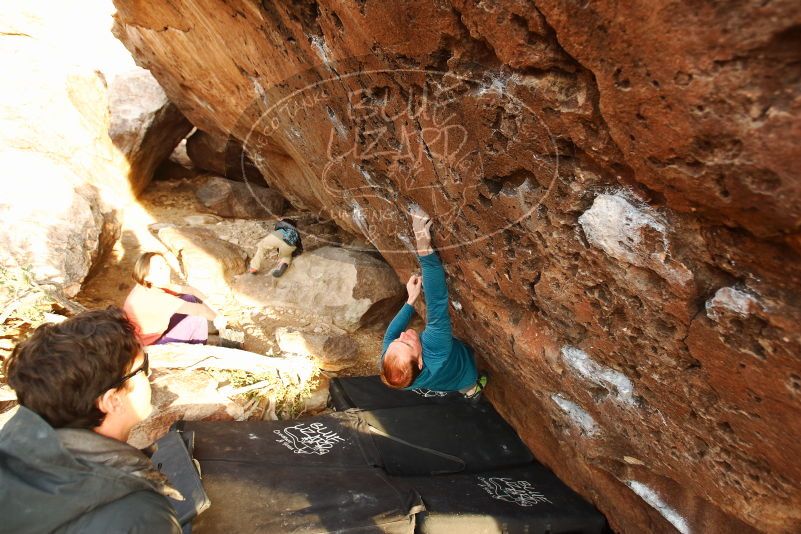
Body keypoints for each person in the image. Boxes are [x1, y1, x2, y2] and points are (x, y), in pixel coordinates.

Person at [0, 307, 181, 533]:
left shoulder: (11, 445)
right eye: (143, 369)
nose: (151, 376)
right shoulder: (140, 515)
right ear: (111, 400)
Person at [380, 209, 486, 398]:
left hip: (441, 382)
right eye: (407, 344)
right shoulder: (435, 347)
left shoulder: (396, 370)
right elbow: (436, 300)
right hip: (461, 371)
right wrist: (422, 242)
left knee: (450, 384)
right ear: (420, 362)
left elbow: (391, 334)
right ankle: (473, 390)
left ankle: (468, 392)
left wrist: (411, 299)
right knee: (468, 382)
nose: (402, 335)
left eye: (397, 342)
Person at [123, 252, 226, 346]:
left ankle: (194, 341)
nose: (166, 270)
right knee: (199, 319)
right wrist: (218, 318)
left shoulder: (152, 283)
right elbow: (199, 310)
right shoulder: (152, 298)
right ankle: (198, 354)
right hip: (149, 347)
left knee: (188, 298)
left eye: (165, 265)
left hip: (153, 334)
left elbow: (192, 291)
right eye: (160, 268)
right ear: (146, 276)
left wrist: (214, 309)